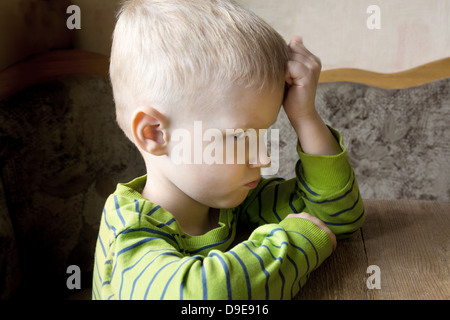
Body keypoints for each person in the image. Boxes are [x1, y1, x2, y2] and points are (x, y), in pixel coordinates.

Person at [92, 0, 365, 300]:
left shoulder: (233, 202)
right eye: (238, 137)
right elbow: (200, 298)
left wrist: (305, 116)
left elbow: (336, 216)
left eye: (262, 133)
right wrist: (294, 242)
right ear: (154, 133)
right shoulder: (130, 234)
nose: (263, 158)